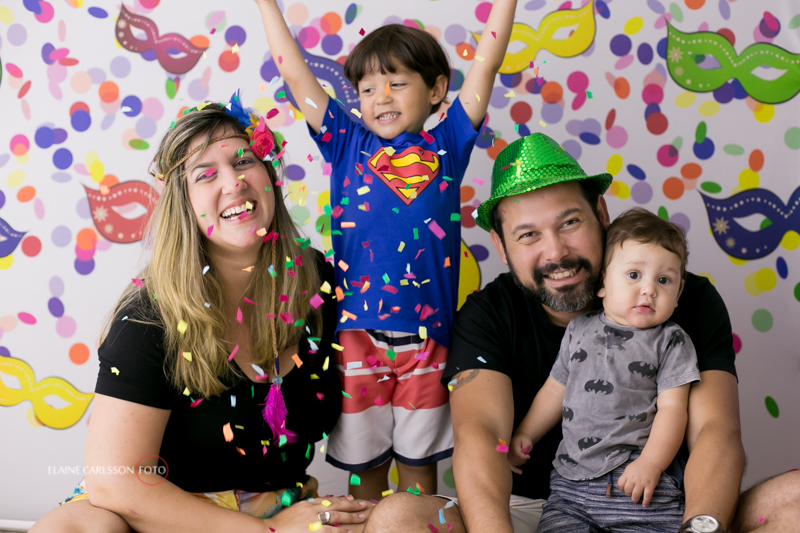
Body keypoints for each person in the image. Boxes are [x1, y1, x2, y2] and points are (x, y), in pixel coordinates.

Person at [363, 133, 800, 532]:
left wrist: (700, 526)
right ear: (502, 247)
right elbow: (481, 436)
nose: (556, 252)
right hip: (542, 512)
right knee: (397, 518)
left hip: (664, 510)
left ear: (601, 214)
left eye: (570, 223)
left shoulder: (685, 303)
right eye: (528, 235)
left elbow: (714, 431)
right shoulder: (488, 315)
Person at [31, 93, 372, 533]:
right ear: (185, 204)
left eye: (244, 161)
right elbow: (115, 482)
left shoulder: (317, 282)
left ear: (270, 177)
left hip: (279, 510)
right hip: (159, 516)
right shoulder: (148, 316)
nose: (234, 182)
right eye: (205, 174)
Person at [253, 0, 518, 500]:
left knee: (419, 479)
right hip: (357, 339)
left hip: (429, 342)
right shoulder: (345, 142)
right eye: (368, 89)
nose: (381, 98)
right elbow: (295, 72)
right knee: (366, 477)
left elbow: (487, 64)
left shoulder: (448, 144)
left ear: (436, 90)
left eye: (397, 83)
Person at [509, 207, 700, 531]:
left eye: (663, 280)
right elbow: (555, 389)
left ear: (678, 293)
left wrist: (651, 464)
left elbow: (673, 411)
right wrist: (526, 434)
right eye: (634, 275)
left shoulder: (671, 341)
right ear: (602, 283)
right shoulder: (579, 330)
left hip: (637, 484)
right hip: (571, 486)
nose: (649, 289)